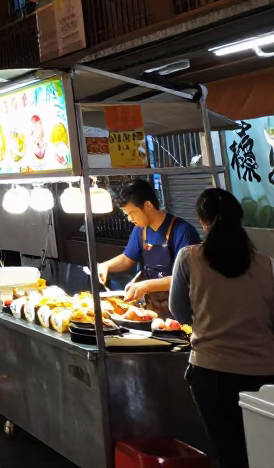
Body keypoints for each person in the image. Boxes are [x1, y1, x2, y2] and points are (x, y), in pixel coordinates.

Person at [169, 188, 274, 468]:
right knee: (265, 452)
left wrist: (207, 320)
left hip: (211, 371)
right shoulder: (267, 265)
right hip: (264, 371)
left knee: (228, 454)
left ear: (202, 221)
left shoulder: (189, 257)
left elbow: (179, 311)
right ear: (239, 219)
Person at [98, 179, 201, 316]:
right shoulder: (140, 230)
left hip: (181, 308)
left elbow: (185, 278)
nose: (129, 219)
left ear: (148, 205)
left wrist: (145, 286)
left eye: (132, 213)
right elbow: (127, 258)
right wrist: (106, 266)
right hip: (152, 308)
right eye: (126, 215)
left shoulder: (183, 232)